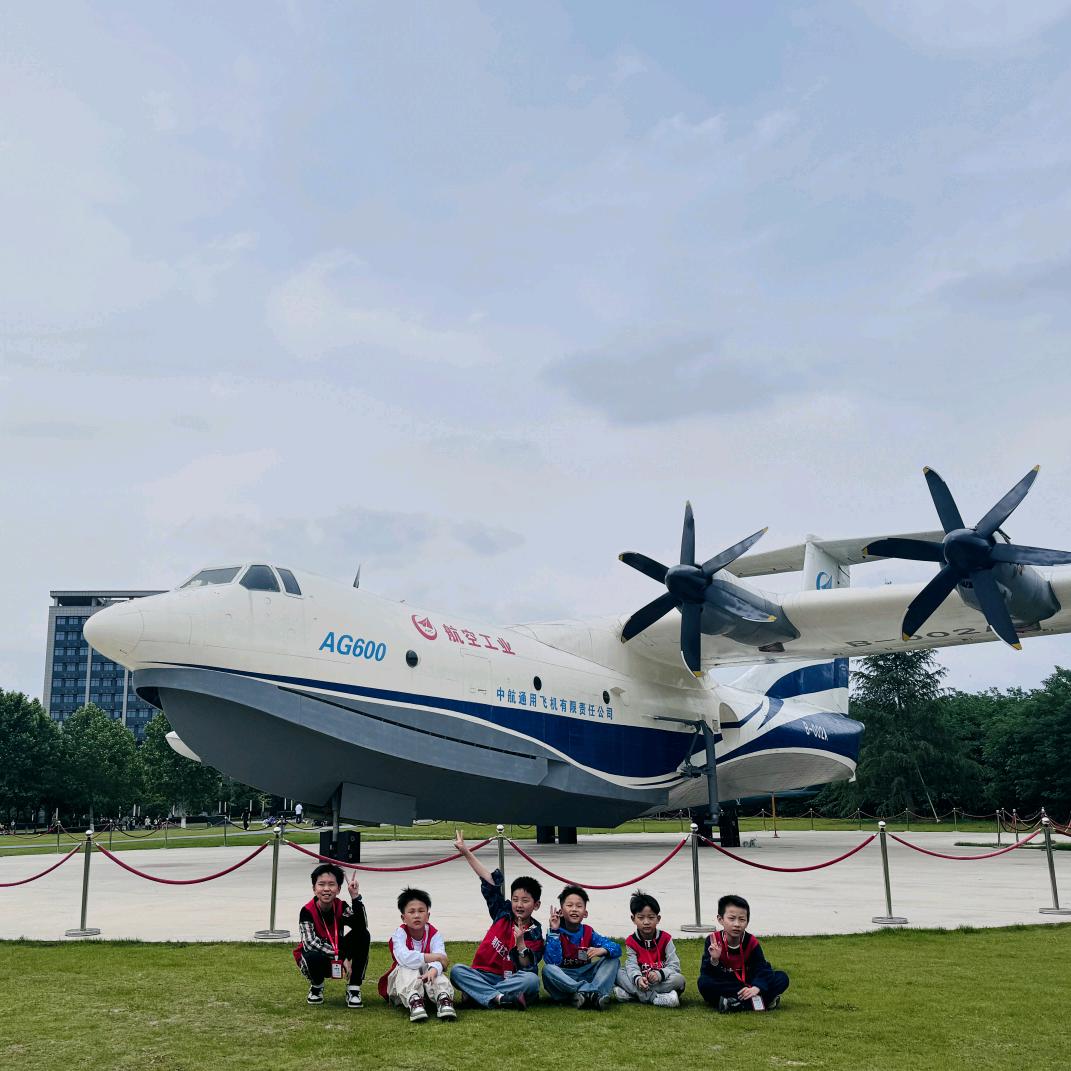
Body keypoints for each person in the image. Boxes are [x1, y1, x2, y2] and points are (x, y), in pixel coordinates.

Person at [449, 830, 545, 1010]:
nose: (519, 905)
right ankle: (501, 998)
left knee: (532, 981)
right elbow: (489, 881)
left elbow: (527, 967)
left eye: (525, 901)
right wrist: (465, 852)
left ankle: (479, 994)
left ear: (536, 905)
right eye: (515, 899)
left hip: (510, 979)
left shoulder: (535, 932)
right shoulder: (503, 912)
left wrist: (521, 944)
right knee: (457, 971)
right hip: (483, 975)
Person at [293, 863, 370, 1008]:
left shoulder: (341, 906)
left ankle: (354, 988)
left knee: (363, 935)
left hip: (337, 951)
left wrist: (355, 897)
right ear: (314, 888)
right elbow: (310, 943)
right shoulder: (307, 911)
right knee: (311, 955)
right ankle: (316, 987)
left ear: (339, 889)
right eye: (321, 884)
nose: (326, 889)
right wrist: (342, 956)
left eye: (331, 884)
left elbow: (361, 927)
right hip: (319, 956)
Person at [697, 894, 789, 1012]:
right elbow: (706, 972)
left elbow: (762, 968)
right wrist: (714, 960)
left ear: (747, 921)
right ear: (720, 919)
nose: (737, 924)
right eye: (731, 918)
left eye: (742, 919)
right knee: (704, 983)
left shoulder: (751, 941)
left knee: (782, 977)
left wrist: (757, 987)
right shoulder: (713, 940)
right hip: (726, 983)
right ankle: (760, 1002)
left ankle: (732, 1004)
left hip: (750, 983)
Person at [379, 887, 457, 1022]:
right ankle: (414, 1000)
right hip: (400, 986)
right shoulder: (399, 934)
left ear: (428, 916)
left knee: (434, 970)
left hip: (428, 984)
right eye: (411, 911)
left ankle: (443, 998)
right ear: (403, 917)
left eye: (421, 911)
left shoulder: (435, 934)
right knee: (407, 966)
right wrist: (437, 957)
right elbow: (405, 957)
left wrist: (434, 970)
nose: (416, 915)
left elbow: (441, 958)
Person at [542, 884, 621, 1010]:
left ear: (585, 913)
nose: (574, 909)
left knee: (613, 960)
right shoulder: (554, 932)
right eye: (569, 905)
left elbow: (617, 948)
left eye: (579, 906)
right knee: (548, 969)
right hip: (565, 979)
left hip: (585, 974)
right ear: (561, 912)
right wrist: (554, 931)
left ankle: (581, 996)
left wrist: (603, 950)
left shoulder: (588, 932)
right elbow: (553, 962)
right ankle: (593, 993)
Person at [613, 890, 686, 1007]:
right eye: (641, 917)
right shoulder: (631, 941)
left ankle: (632, 994)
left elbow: (674, 965)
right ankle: (656, 998)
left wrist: (659, 974)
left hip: (660, 981)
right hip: (641, 981)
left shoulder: (666, 938)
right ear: (633, 919)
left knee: (679, 980)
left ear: (658, 918)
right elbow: (632, 965)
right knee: (618, 973)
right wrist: (638, 979)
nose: (646, 922)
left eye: (651, 917)